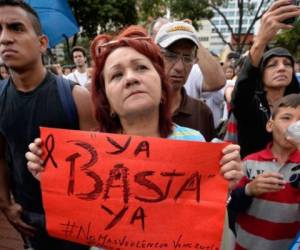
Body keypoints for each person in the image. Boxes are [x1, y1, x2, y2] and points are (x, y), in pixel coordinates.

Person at [26, 25, 244, 229]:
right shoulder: (87, 157)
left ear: (161, 87)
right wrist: (54, 176)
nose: (130, 78)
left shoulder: (195, 142)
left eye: (141, 68)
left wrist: (224, 184)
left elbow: (204, 217)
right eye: (116, 75)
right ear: (107, 101)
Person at [0, 1, 96, 249]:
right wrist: (6, 205)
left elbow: (96, 166)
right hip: (27, 217)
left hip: (75, 221)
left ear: (42, 43)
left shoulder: (76, 97)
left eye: (16, 28)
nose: (5, 38)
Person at [228, 93, 300, 250]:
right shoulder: (250, 162)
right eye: (286, 118)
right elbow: (232, 204)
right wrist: (249, 190)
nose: (295, 125)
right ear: (270, 125)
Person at [231, 0, 300, 158]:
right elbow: (242, 90)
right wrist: (261, 40)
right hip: (253, 181)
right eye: (273, 65)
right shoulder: (250, 104)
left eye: (287, 63)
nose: (282, 68)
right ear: (260, 74)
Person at [155, 21, 217, 141]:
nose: (180, 67)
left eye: (188, 58)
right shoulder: (141, 108)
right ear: (155, 56)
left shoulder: (201, 112)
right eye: (170, 55)